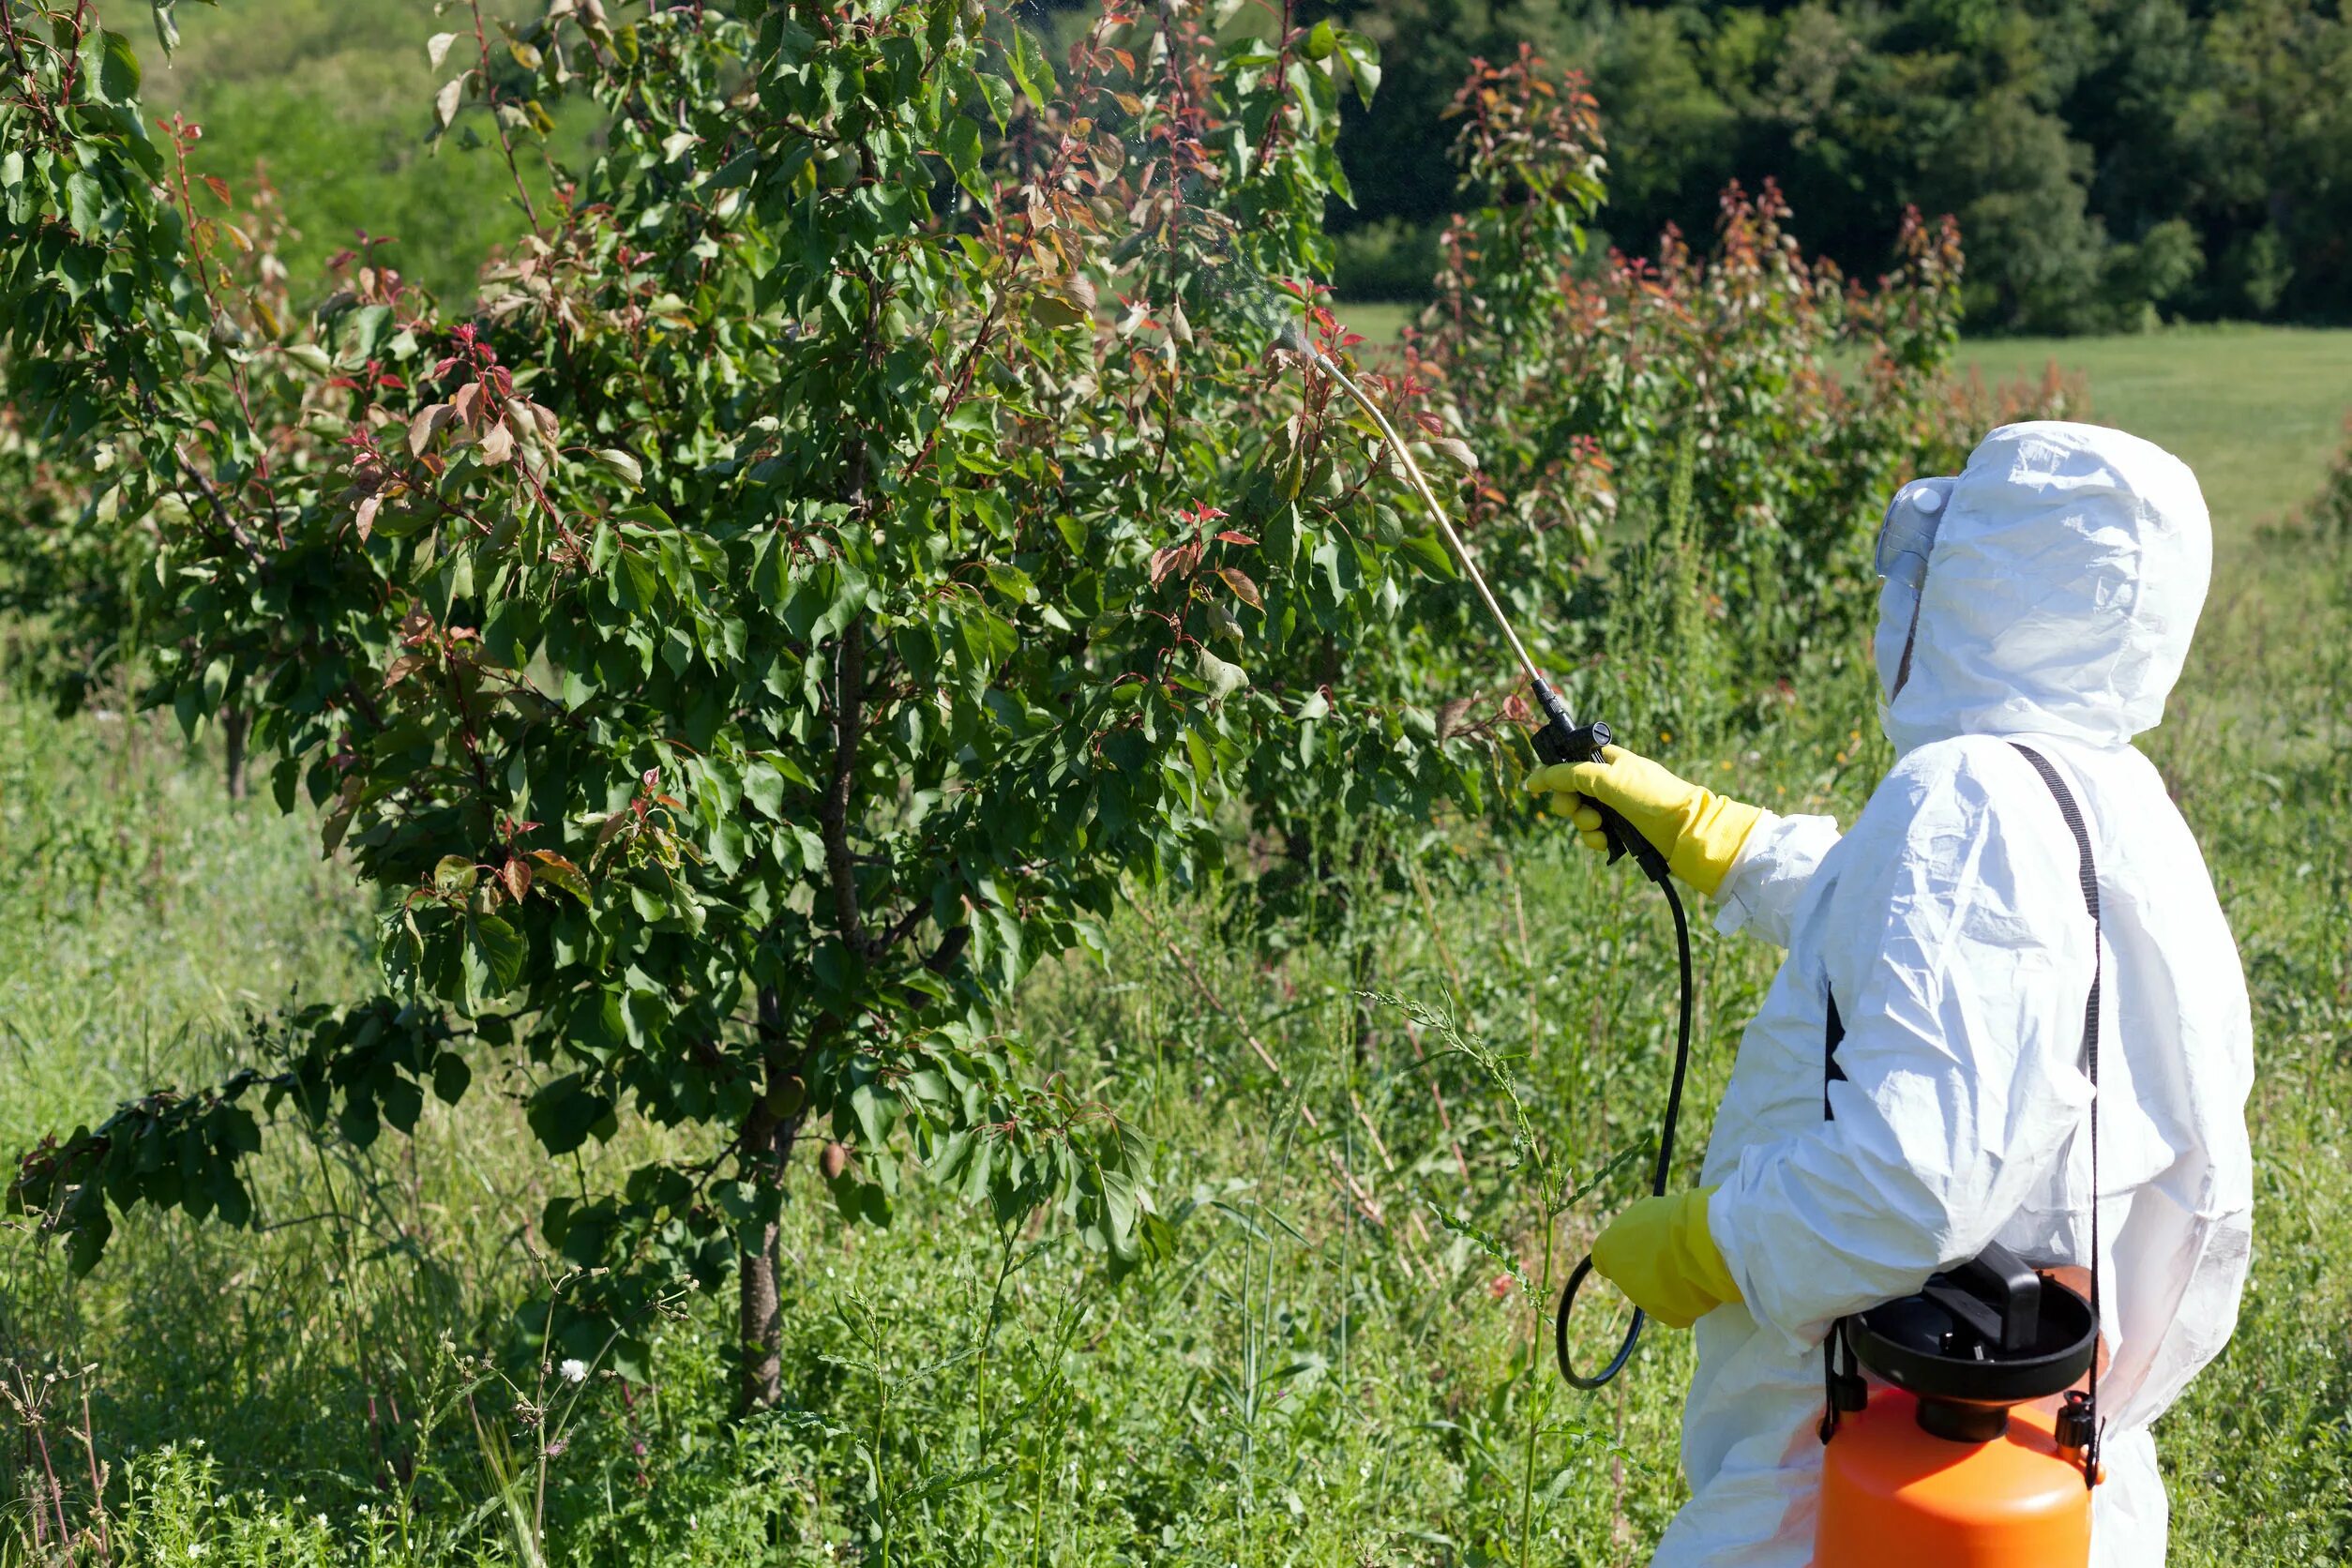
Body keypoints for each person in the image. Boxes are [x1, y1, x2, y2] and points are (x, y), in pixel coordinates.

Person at [1527, 421, 2254, 1567]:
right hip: (2040, 1474)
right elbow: (1952, 943)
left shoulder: (1966, 799)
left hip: (1858, 1469)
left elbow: (1909, 1183)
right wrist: (1716, 837)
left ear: (1985, 581)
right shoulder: (2118, 806)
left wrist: (1711, 1241)